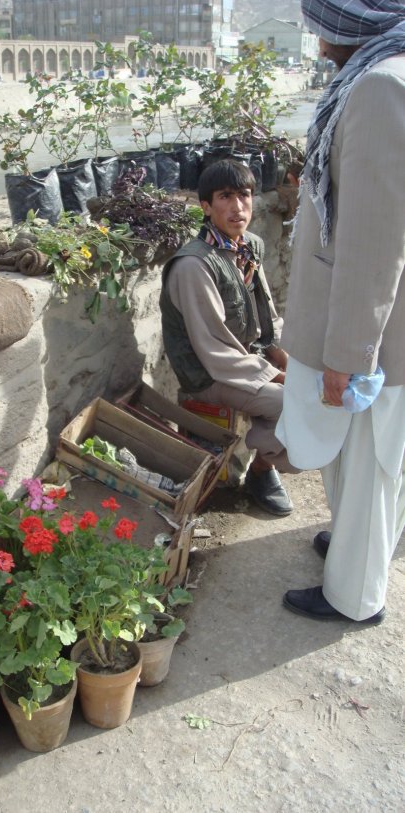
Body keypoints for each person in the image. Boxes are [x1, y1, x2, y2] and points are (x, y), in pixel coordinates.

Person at [277, 0, 405, 624]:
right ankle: (358, 554)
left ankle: (354, 596)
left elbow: (373, 245)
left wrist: (347, 358)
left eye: (323, 20)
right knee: (368, 465)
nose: (316, 35)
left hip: (372, 333)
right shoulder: (379, 73)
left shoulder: (381, 87)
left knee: (368, 465)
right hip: (380, 322)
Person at [160, 159, 298, 516]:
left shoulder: (248, 245)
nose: (238, 207)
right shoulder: (194, 265)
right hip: (209, 373)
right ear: (206, 206)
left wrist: (280, 354)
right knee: (294, 404)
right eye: (225, 197)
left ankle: (259, 466)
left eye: (244, 195)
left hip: (245, 358)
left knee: (318, 385)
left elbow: (264, 309)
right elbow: (215, 350)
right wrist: (279, 376)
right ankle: (262, 465)